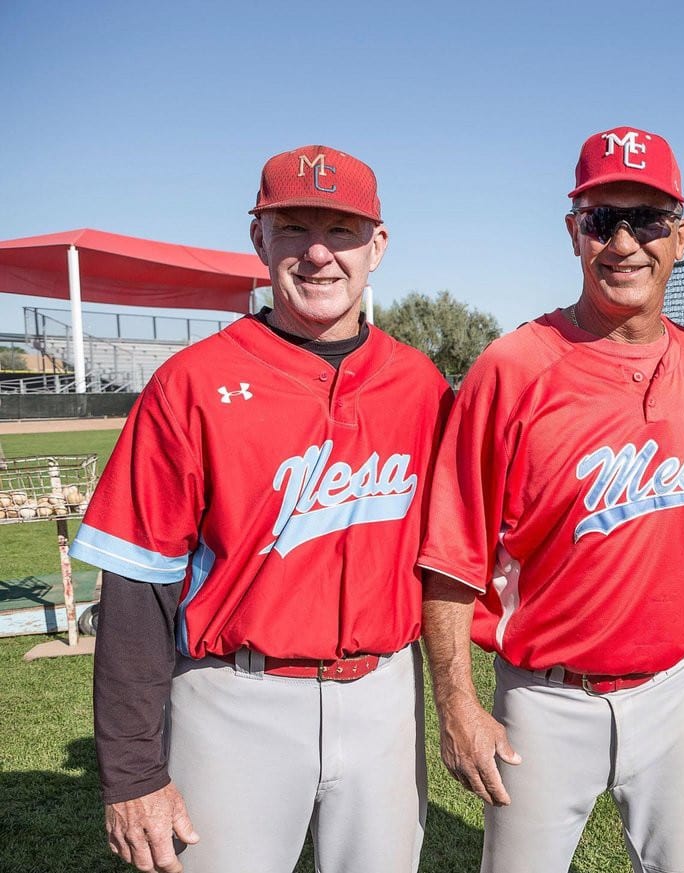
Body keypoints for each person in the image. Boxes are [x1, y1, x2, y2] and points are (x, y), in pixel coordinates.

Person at [70, 145, 451, 873]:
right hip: (234, 699)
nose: (317, 254)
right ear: (258, 240)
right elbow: (138, 588)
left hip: (383, 697)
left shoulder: (420, 384)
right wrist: (131, 772)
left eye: (340, 230)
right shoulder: (191, 382)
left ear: (378, 246)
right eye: (292, 228)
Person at [417, 126, 684, 873]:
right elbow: (451, 555)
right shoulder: (512, 367)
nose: (625, 241)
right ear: (574, 234)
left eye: (648, 219)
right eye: (602, 219)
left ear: (681, 236)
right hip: (548, 699)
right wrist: (457, 704)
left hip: (681, 688)